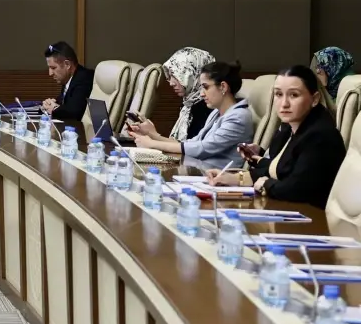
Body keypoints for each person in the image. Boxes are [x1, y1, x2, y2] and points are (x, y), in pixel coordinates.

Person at [209, 65, 346, 208]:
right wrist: (234, 178)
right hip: (290, 208)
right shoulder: (288, 127)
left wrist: (266, 185)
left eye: (294, 95)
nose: (284, 104)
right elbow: (280, 168)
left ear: (315, 99)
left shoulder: (320, 136)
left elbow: (296, 188)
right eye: (279, 94)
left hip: (312, 215)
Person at [127, 61, 253, 168]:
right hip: (199, 172)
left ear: (223, 87)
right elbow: (192, 143)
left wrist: (152, 143)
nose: (202, 94)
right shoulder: (216, 113)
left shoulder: (238, 117)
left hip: (218, 179)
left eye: (206, 87)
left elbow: (202, 148)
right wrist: (153, 135)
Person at [155, 47, 216, 142]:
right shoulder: (188, 105)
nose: (171, 83)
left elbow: (191, 147)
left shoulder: (208, 107)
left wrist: (153, 136)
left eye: (176, 75)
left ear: (194, 74)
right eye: (169, 76)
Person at [40, 41, 93, 122]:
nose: (50, 73)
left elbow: (74, 113)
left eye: (53, 68)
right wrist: (48, 105)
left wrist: (54, 108)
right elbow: (63, 105)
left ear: (67, 64)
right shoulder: (68, 78)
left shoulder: (84, 78)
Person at [312, 46, 355, 112]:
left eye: (323, 65)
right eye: (317, 66)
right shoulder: (329, 90)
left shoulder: (351, 91)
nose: (317, 71)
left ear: (336, 65)